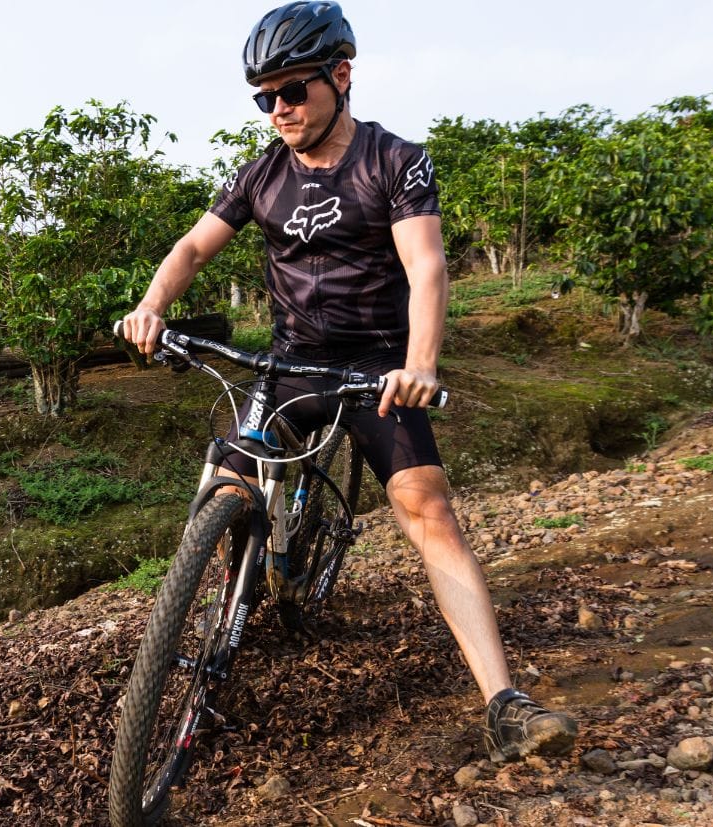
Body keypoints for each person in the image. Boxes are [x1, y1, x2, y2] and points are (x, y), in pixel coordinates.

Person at [120, 0, 577, 764]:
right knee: (223, 480)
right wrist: (150, 305)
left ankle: (504, 702)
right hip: (290, 357)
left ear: (341, 76)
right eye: (262, 97)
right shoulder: (260, 173)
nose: (277, 110)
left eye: (291, 91)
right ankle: (208, 604)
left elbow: (425, 267)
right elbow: (195, 246)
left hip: (375, 365)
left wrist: (421, 361)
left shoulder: (396, 161)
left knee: (425, 507)